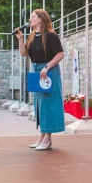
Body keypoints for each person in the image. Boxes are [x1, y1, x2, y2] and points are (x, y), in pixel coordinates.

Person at [15, 9, 65, 150]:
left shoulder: (51, 35)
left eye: (32, 17)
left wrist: (47, 67)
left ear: (40, 19)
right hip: (36, 70)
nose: (30, 20)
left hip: (49, 71)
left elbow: (60, 54)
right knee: (40, 104)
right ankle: (42, 136)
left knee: (48, 104)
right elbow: (23, 53)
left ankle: (47, 138)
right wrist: (20, 39)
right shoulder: (32, 36)